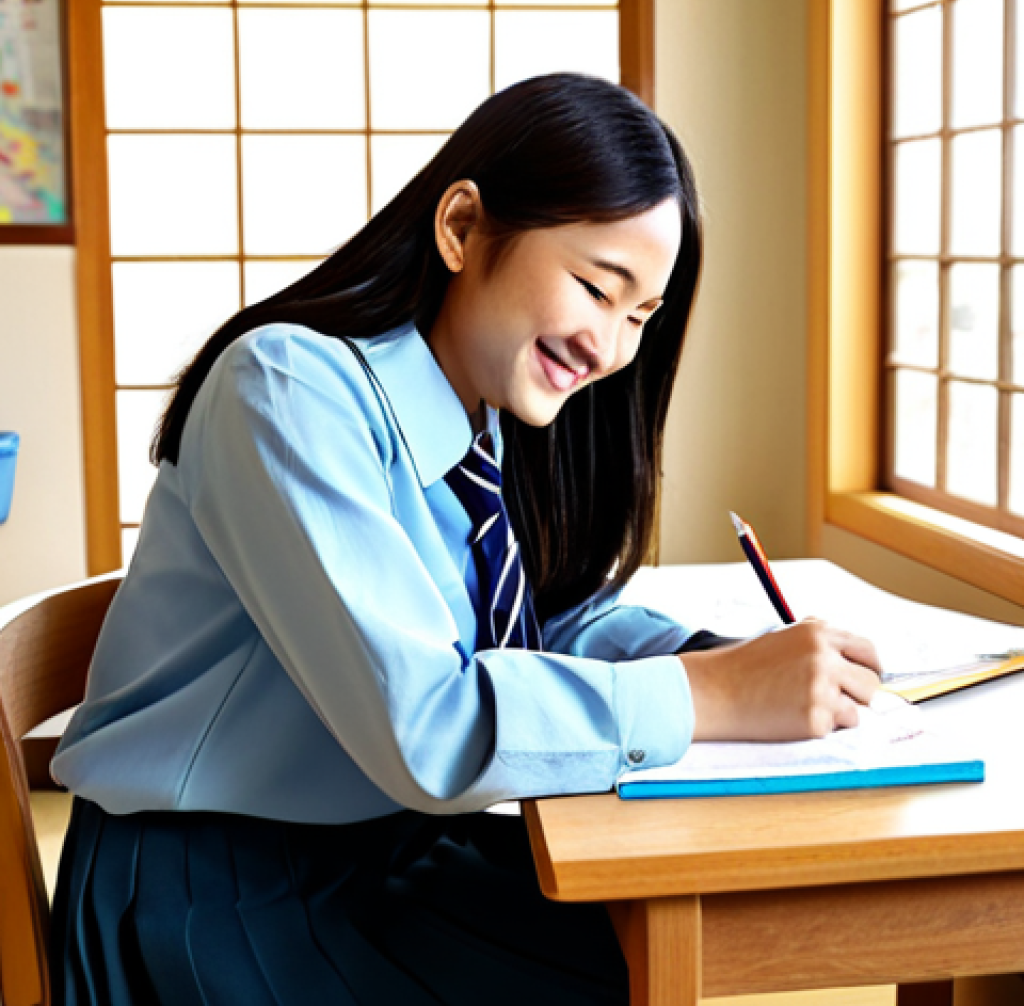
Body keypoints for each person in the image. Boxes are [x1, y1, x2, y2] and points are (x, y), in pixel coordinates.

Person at [48, 73, 881, 1005]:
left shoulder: (478, 416)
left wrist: (715, 657)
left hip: (376, 853)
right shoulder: (285, 388)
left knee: (632, 953)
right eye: (597, 289)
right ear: (461, 228)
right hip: (210, 890)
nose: (609, 348)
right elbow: (431, 727)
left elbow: (538, 622)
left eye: (640, 316)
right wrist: (709, 694)